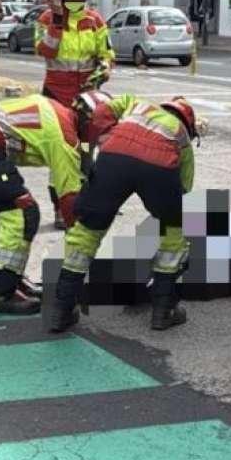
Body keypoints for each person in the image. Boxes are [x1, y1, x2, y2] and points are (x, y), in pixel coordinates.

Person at [47, 91, 199, 333]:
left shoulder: (136, 103)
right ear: (188, 123)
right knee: (173, 232)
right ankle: (163, 312)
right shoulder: (181, 136)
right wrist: (165, 207)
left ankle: (61, 310)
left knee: (87, 230)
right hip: (159, 166)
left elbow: (101, 112)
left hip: (113, 159)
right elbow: (185, 187)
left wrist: (105, 142)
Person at [0, 93, 84, 314]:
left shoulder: (59, 111)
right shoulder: (64, 137)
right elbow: (69, 197)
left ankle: (12, 280)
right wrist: (78, 241)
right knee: (21, 213)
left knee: (22, 211)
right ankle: (1, 294)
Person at [34, 0, 114, 228]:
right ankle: (61, 208)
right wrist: (57, 20)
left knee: (86, 151)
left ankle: (85, 203)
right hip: (56, 96)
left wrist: (104, 68)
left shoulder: (95, 20)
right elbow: (46, 51)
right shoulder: (46, 19)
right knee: (61, 153)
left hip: (87, 98)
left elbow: (106, 53)